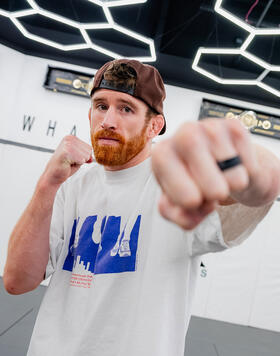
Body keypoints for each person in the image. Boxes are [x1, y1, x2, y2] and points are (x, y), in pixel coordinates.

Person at [3, 59, 280, 356]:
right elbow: (17, 281)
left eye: (126, 108)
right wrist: (47, 184)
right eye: (101, 106)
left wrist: (241, 159)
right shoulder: (70, 186)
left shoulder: (174, 182)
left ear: (154, 126)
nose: (108, 120)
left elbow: (261, 184)